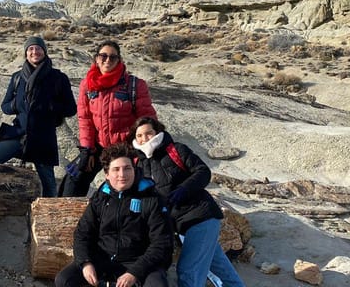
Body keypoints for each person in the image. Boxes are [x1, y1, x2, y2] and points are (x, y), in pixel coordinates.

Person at [129, 117, 244, 287]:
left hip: (201, 216)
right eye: (139, 135)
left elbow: (203, 171)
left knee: (188, 271)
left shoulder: (176, 150)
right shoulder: (139, 164)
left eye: (148, 133)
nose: (144, 138)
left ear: (158, 132)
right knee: (220, 269)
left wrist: (184, 189)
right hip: (179, 225)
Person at [55, 144, 173, 287]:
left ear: (134, 170)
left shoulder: (151, 198)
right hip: (103, 258)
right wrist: (85, 262)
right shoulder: (100, 198)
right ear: (107, 175)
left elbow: (162, 243)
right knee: (64, 280)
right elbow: (82, 234)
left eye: (127, 168)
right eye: (116, 169)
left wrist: (134, 273)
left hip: (139, 262)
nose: (122, 175)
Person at [62, 40, 157, 197]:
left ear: (119, 60)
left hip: (127, 147)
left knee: (127, 186)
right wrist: (87, 150)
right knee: (74, 178)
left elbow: (148, 120)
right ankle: (65, 216)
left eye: (113, 57)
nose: (107, 60)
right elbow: (85, 119)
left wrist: (143, 149)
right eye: (103, 56)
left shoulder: (134, 85)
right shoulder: (87, 84)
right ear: (96, 59)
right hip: (100, 146)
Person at [0, 36, 77, 197]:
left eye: (38, 48)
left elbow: (71, 109)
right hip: (19, 134)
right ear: (26, 53)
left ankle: (49, 215)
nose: (35, 52)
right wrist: (16, 105)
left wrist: (49, 106)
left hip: (43, 137)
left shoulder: (58, 78)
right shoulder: (17, 77)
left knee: (48, 183)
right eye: (31, 49)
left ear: (44, 52)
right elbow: (5, 106)